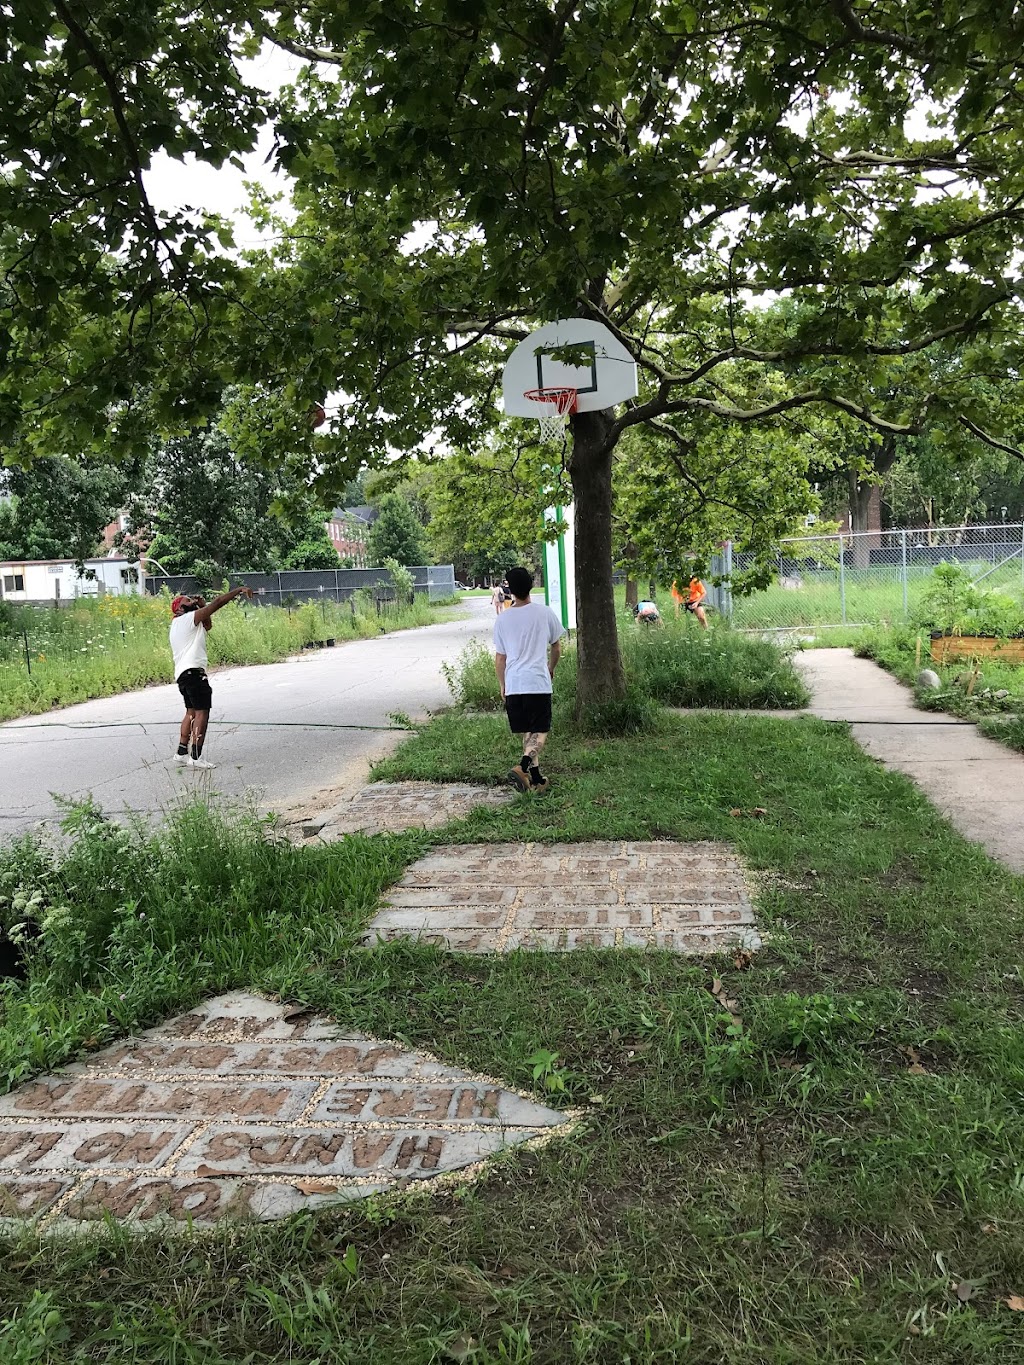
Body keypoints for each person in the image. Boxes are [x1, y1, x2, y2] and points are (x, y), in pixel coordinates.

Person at [493, 566, 563, 793]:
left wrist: (503, 684)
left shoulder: (502, 620)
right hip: (537, 681)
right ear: (531, 585)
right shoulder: (544, 613)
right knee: (540, 731)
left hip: (515, 684)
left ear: (509, 589)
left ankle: (536, 779)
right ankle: (522, 767)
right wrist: (551, 668)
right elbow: (556, 646)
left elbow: (500, 658)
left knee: (528, 731)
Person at [169, 585, 254, 768]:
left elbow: (208, 625)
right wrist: (238, 590)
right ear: (179, 608)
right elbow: (218, 603)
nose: (192, 601)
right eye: (188, 601)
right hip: (194, 673)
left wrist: (201, 605)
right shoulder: (187, 620)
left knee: (191, 712)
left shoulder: (179, 624)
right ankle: (196, 756)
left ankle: (182, 752)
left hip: (183, 675)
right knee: (202, 712)